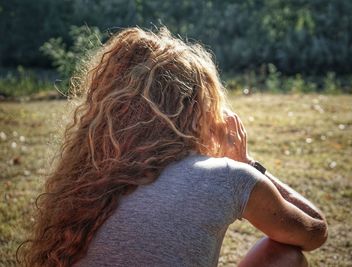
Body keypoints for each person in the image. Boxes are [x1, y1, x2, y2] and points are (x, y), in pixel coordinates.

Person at [19, 27, 328, 267]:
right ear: (200, 111)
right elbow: (314, 231)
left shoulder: (88, 176)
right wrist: (248, 165)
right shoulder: (227, 177)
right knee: (286, 255)